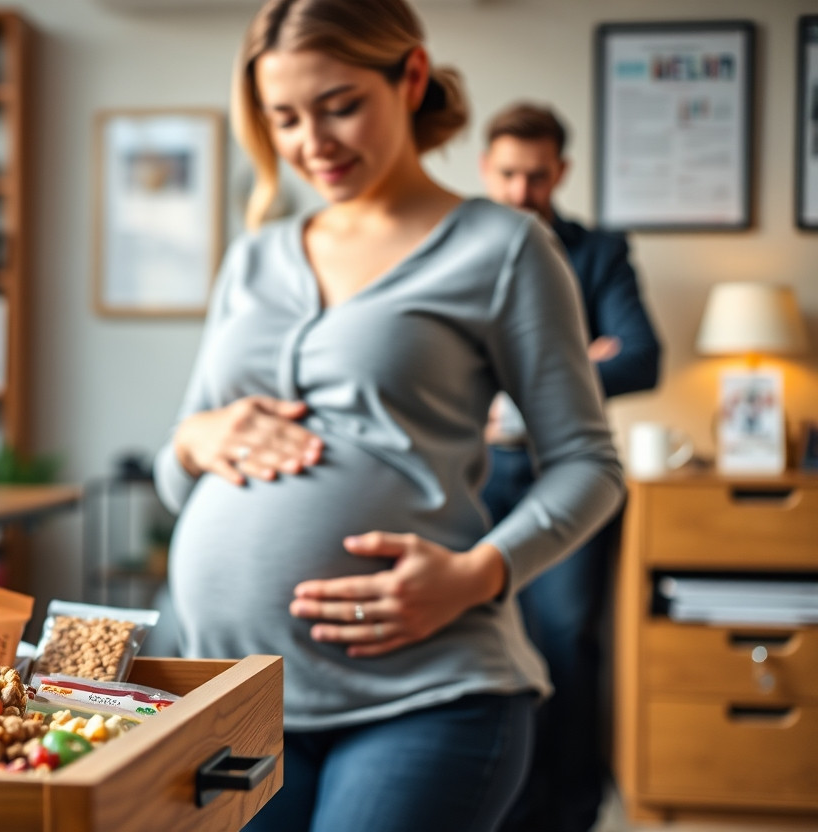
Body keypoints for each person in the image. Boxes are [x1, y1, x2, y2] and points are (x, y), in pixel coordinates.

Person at [152, 2, 625, 830]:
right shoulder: (253, 258)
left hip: (425, 695)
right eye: (284, 118)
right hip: (233, 693)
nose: (313, 143)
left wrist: (480, 573)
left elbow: (590, 464)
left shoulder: (503, 248)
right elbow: (175, 477)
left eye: (339, 106)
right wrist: (192, 441)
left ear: (410, 77)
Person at [478, 103, 661, 832]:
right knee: (487, 644)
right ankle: (506, 810)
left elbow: (641, 357)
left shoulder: (598, 252)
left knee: (566, 643)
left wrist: (519, 389)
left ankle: (573, 814)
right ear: (485, 169)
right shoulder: (455, 243)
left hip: (566, 473)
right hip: (475, 478)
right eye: (508, 174)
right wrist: (579, 362)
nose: (521, 191)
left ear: (562, 172)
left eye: (537, 175)